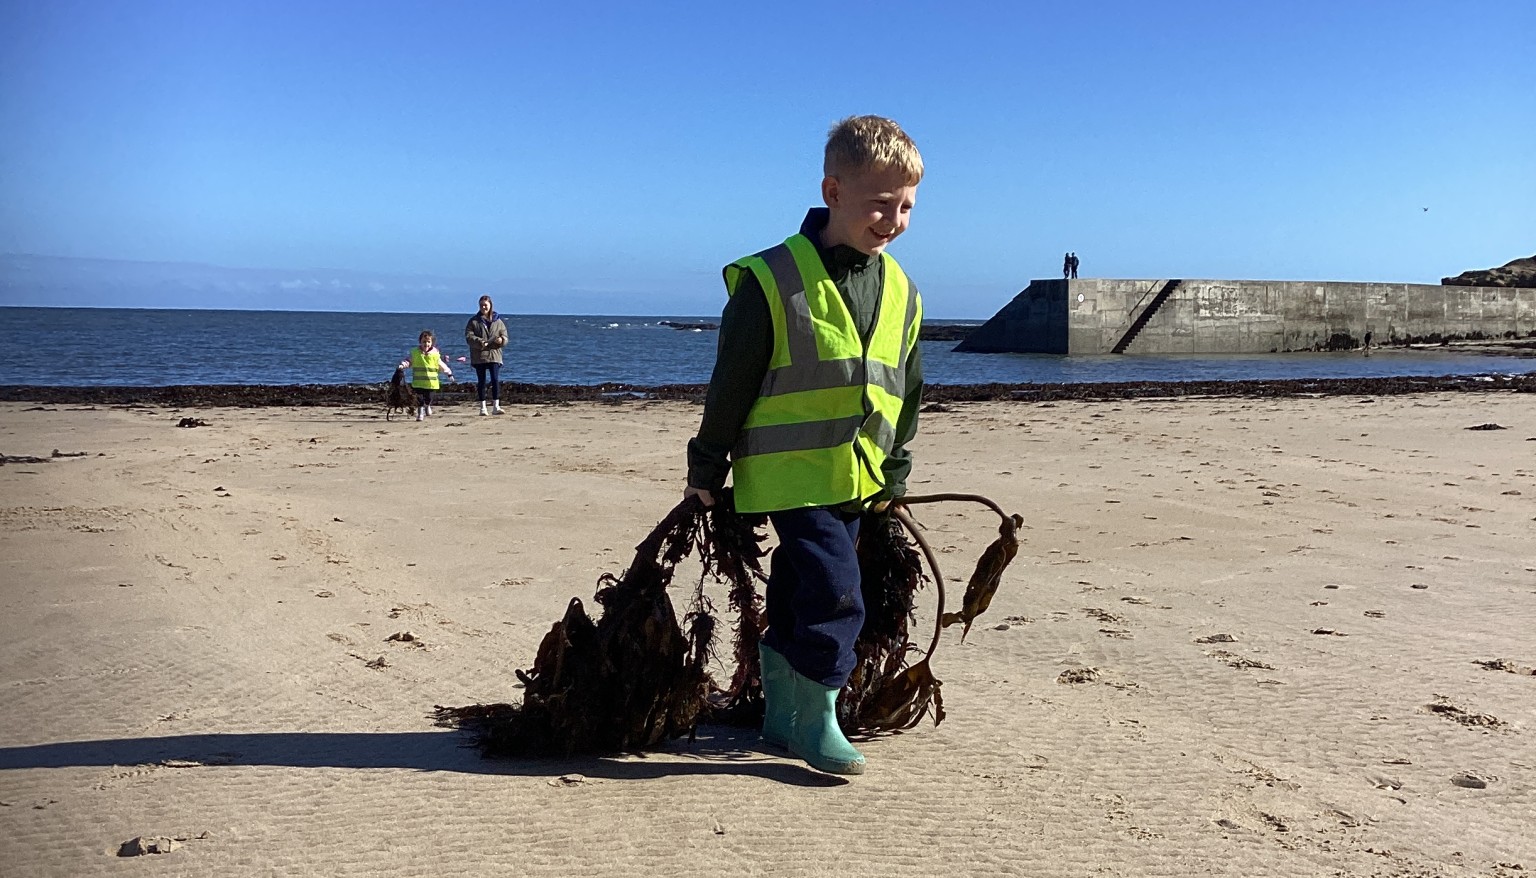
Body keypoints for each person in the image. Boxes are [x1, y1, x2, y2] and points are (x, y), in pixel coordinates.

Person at [683, 115, 925, 776]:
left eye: (906, 206)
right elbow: (730, 382)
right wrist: (707, 464)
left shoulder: (901, 289)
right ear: (833, 190)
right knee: (835, 591)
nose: (893, 219)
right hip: (789, 475)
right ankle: (820, 715)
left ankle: (783, 714)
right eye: (880, 203)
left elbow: (908, 386)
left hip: (860, 474)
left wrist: (895, 468)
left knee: (797, 585)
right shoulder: (772, 279)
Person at [465, 295, 509, 415]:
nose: (483, 307)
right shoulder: (474, 321)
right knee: (482, 381)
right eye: (481, 305)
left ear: (490, 305)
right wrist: (479, 342)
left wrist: (501, 340)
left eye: (485, 305)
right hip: (479, 356)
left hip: (495, 355)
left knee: (495, 380)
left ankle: (496, 406)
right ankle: (482, 407)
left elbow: (505, 336)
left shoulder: (498, 321)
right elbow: (469, 336)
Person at [400, 330, 453, 422]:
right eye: (424, 342)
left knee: (428, 398)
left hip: (431, 383)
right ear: (420, 342)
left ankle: (427, 406)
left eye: (428, 342)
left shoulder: (435, 354)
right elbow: (408, 361)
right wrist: (403, 365)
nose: (426, 344)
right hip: (418, 383)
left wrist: (449, 373)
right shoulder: (415, 353)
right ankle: (420, 413)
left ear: (432, 343)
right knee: (419, 399)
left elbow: (442, 365)